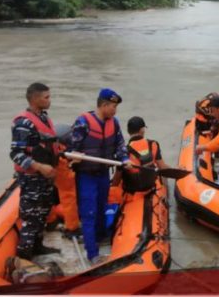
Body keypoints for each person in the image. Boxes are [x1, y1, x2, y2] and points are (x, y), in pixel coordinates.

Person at [68, 88, 132, 264]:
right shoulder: (83, 122)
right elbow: (70, 147)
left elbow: (119, 144)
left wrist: (124, 158)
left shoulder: (115, 122)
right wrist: (74, 154)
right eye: (113, 107)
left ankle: (102, 235)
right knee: (89, 212)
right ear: (103, 105)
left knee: (102, 206)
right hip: (86, 175)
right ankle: (92, 253)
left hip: (103, 173)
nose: (115, 110)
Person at [10, 82, 61, 260]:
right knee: (31, 218)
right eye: (46, 97)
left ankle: (38, 246)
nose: (50, 100)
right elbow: (16, 153)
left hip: (46, 178)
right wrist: (39, 167)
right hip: (32, 179)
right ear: (34, 99)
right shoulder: (24, 123)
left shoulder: (44, 118)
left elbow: (49, 145)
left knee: (43, 213)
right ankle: (24, 255)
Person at [120, 116, 171, 194]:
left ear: (128, 131)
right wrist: (177, 169)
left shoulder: (123, 151)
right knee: (162, 174)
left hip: (133, 190)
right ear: (142, 130)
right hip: (150, 185)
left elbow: (117, 177)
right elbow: (162, 167)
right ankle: (164, 197)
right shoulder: (153, 144)